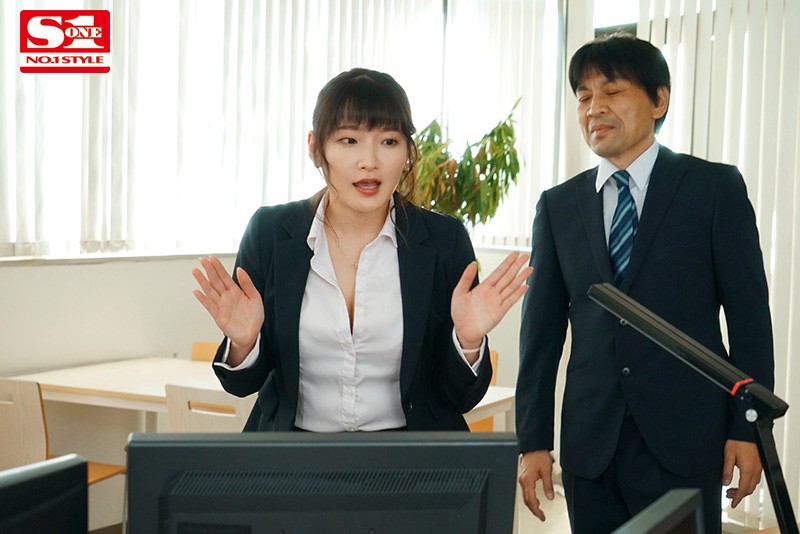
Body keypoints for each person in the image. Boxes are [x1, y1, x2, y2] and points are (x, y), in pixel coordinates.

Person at [516, 33, 774, 533]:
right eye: (584, 97)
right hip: (592, 445)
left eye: (612, 91)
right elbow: (540, 337)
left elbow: (750, 321)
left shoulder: (713, 189)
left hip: (686, 440)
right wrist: (533, 441)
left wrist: (748, 429)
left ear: (659, 100)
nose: (594, 108)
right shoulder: (559, 206)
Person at [192, 68, 532, 433]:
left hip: (412, 456)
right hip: (294, 454)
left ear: (406, 152)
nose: (369, 161)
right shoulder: (270, 233)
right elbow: (242, 384)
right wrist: (244, 344)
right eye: (349, 140)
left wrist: (467, 341)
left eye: (388, 141)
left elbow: (459, 398)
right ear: (315, 148)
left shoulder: (443, 240)